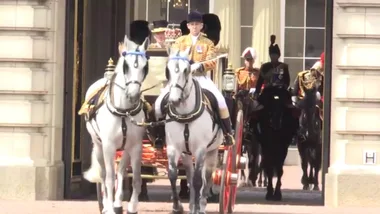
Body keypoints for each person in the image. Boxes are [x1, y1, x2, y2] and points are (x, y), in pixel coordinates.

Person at [154, 11, 235, 147]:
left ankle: (228, 133)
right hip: (181, 79)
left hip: (200, 78)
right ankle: (159, 135)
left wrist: (200, 66)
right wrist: (185, 64)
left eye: (197, 24)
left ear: (201, 26)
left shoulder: (208, 42)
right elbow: (173, 58)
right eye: (192, 24)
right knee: (158, 104)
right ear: (188, 25)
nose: (195, 27)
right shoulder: (179, 41)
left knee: (221, 101)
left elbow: (212, 61)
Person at [253, 35, 293, 108]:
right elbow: (260, 82)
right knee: (260, 108)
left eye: (275, 55)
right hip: (268, 90)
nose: (273, 56)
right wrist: (257, 92)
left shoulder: (284, 66)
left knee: (289, 108)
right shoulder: (265, 67)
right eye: (272, 55)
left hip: (281, 91)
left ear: (278, 56)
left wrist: (284, 86)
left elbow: (287, 80)